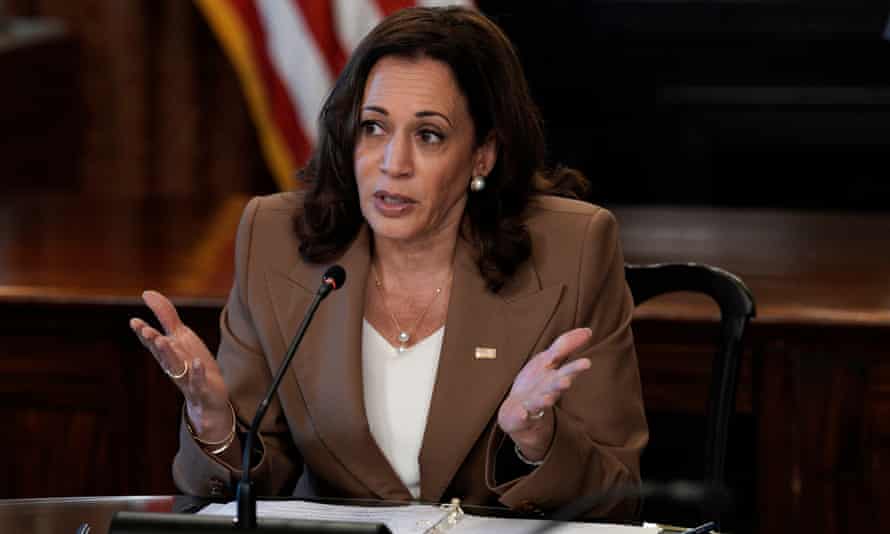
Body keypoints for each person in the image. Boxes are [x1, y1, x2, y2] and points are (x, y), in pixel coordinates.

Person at [130, 6, 647, 519]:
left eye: (428, 136)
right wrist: (216, 424)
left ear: (483, 153)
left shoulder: (574, 250)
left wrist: (538, 441)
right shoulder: (275, 240)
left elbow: (619, 498)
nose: (393, 164)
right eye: (374, 128)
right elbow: (236, 489)